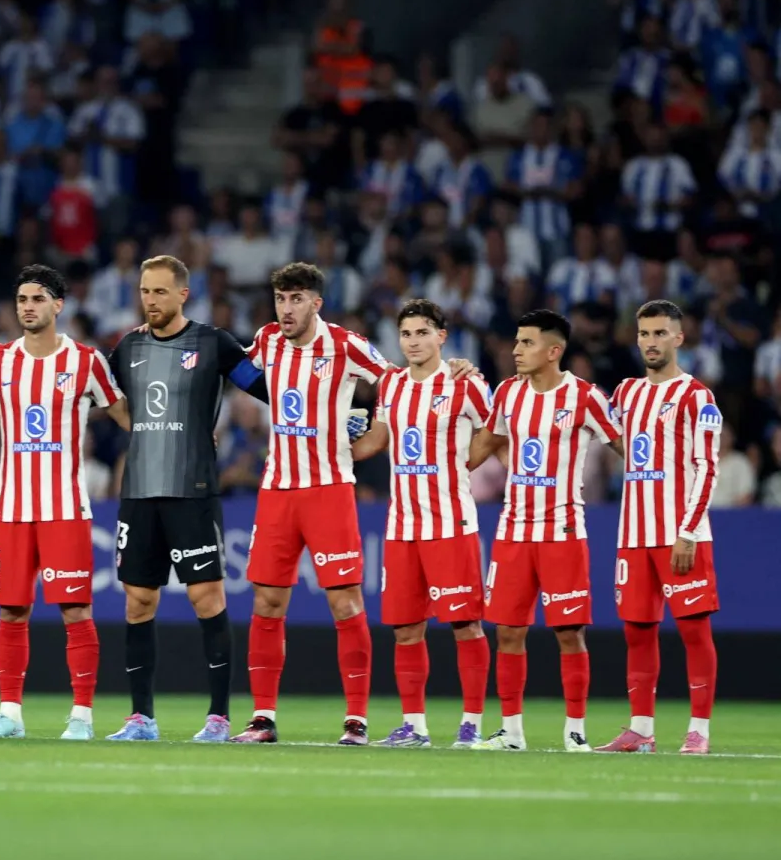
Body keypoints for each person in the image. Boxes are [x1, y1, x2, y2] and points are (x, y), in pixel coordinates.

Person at [104, 255, 269, 742]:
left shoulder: (212, 343)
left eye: (159, 292)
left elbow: (265, 388)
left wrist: (332, 409)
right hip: (139, 491)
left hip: (191, 490)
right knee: (137, 601)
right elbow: (104, 399)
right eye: (144, 291)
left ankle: (218, 717)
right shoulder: (127, 347)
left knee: (206, 597)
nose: (150, 301)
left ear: (183, 294)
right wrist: (141, 432)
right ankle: (141, 719)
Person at [0, 264, 124, 740]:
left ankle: (82, 717)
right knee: (11, 612)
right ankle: (9, 714)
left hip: (64, 508)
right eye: (21, 299)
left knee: (76, 611)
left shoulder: (86, 362)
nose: (27, 307)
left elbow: (123, 413)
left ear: (58, 305)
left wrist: (180, 431)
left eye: (36, 299)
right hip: (10, 507)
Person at [231, 262, 391, 745]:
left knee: (344, 604)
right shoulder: (267, 341)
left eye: (296, 299)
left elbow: (398, 382)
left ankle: (356, 721)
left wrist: (373, 436)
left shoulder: (345, 344)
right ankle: (262, 719)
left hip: (328, 489)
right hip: (278, 490)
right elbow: (241, 372)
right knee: (267, 601)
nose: (286, 308)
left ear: (316, 303)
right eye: (281, 299)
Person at [469, 309, 624, 752]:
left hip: (562, 530)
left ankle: (575, 730)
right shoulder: (507, 394)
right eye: (516, 342)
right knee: (508, 632)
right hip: (514, 530)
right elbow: (479, 450)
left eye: (526, 343)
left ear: (554, 351)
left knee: (569, 632)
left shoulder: (585, 397)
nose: (515, 350)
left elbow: (626, 446)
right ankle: (511, 732)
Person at [348, 299, 494, 748]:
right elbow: (378, 437)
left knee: (465, 624)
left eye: (422, 332)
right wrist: (339, 445)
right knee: (406, 628)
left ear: (441, 336)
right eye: (406, 333)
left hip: (450, 523)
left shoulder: (464, 384)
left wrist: (463, 464)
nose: (413, 341)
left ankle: (471, 725)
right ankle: (415, 725)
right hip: (403, 526)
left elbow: (496, 429)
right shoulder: (391, 384)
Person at [598, 299, 720, 755]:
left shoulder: (696, 396)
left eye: (660, 333)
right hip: (633, 535)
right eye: (644, 334)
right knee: (638, 630)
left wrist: (688, 530)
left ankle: (699, 731)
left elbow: (707, 467)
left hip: (679, 535)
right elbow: (596, 425)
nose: (651, 342)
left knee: (693, 630)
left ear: (679, 338)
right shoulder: (626, 393)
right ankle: (641, 729)